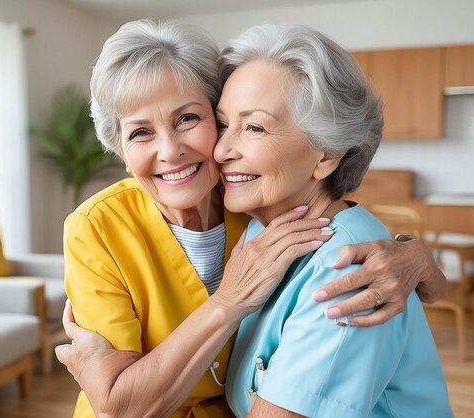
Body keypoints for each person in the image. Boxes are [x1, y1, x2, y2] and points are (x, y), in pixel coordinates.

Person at [57, 19, 448, 418]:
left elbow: (345, 230)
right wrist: (230, 301)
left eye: (189, 119)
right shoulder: (246, 205)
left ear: (326, 156)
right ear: (119, 147)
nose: (174, 151)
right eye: (140, 133)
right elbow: (121, 407)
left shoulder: (264, 213)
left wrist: (415, 258)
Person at [214, 24, 452, 417]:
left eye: (254, 127)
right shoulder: (262, 221)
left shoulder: (347, 274)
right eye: (223, 123)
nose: (222, 149)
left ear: (326, 155)